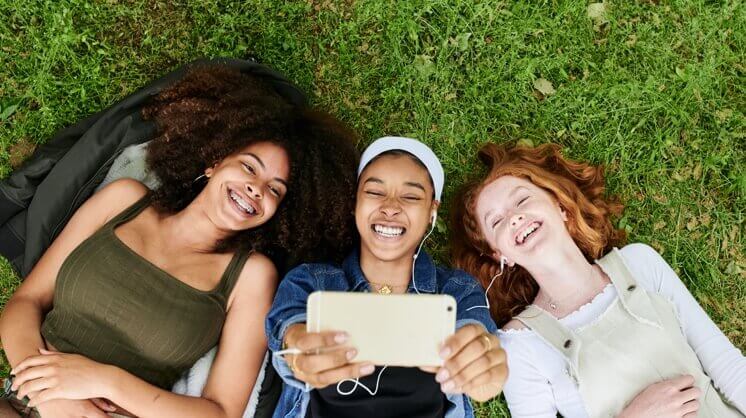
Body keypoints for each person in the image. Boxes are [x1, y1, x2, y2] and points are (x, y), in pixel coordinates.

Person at [0, 66, 359, 418]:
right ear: (213, 163)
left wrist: (104, 381)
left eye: (274, 190)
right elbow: (25, 302)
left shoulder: (250, 276)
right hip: (26, 395)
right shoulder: (123, 201)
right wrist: (54, 400)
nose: (256, 188)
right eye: (249, 167)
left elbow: (220, 412)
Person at [450, 142, 746, 418]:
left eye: (522, 200)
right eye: (497, 221)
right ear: (501, 253)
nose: (514, 217)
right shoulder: (520, 345)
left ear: (560, 207)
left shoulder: (638, 264)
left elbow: (728, 369)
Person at [266, 136, 508, 418]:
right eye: (375, 192)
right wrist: (296, 349)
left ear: (432, 211)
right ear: (355, 204)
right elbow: (287, 329)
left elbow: (478, 333)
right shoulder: (310, 281)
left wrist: (482, 361)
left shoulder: (457, 291)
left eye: (411, 196)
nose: (391, 207)